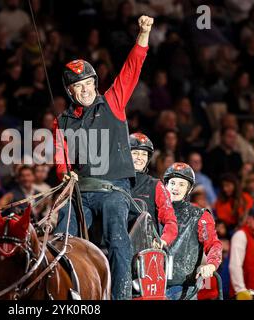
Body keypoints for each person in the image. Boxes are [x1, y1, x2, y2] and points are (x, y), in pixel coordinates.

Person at [53, 16, 153, 300]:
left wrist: (143, 34)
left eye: (89, 84)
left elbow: (131, 70)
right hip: (80, 192)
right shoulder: (61, 121)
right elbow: (61, 156)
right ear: (70, 92)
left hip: (114, 189)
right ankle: (67, 294)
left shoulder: (112, 102)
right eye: (78, 87)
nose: (85, 91)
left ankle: (120, 296)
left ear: (95, 83)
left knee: (117, 238)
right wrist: (64, 173)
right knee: (62, 238)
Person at [163, 162, 223, 300]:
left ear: (189, 189)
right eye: (172, 183)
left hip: (182, 290)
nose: (175, 188)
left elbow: (214, 244)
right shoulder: (152, 212)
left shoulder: (199, 215)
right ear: (165, 186)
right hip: (150, 286)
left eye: (181, 184)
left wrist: (211, 265)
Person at [128, 133, 178, 248]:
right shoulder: (116, 183)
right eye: (135, 153)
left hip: (145, 249)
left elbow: (170, 221)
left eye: (144, 154)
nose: (140, 157)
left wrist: (163, 240)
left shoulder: (156, 185)